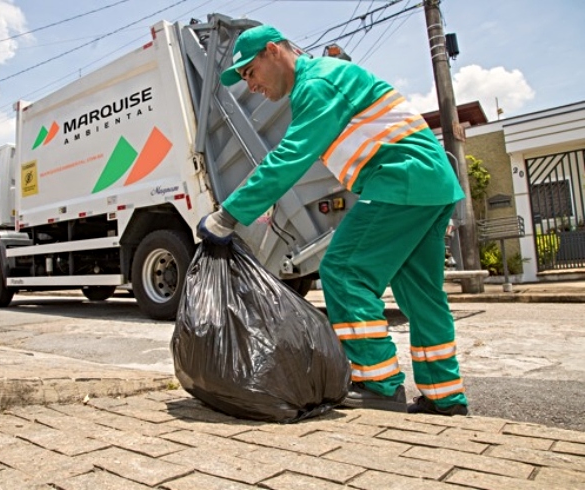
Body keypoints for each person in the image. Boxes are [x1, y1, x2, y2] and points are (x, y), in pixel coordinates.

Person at [197, 24, 469, 416]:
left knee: (344, 271)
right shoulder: (326, 80)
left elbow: (289, 157)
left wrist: (227, 216)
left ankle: (377, 383)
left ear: (273, 51)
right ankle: (446, 397)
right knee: (422, 296)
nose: (249, 85)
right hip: (430, 183)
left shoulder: (317, 83)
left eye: (249, 72)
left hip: (401, 179)